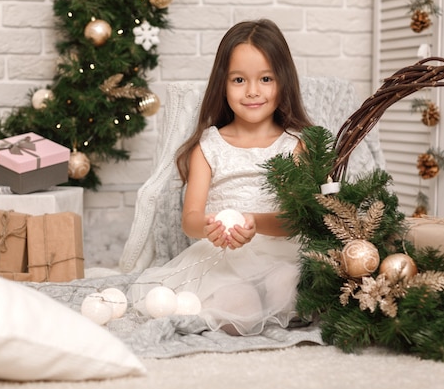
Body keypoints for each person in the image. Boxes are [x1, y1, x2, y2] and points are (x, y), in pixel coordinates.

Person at [129, 19, 313, 336]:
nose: (252, 91)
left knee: (288, 284)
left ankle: (276, 306)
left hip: (281, 253)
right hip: (224, 257)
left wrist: (253, 222)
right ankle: (248, 307)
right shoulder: (209, 147)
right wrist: (210, 228)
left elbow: (296, 221)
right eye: (239, 80)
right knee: (238, 306)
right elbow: (190, 220)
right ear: (222, 84)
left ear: (283, 82)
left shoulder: (296, 146)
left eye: (266, 79)